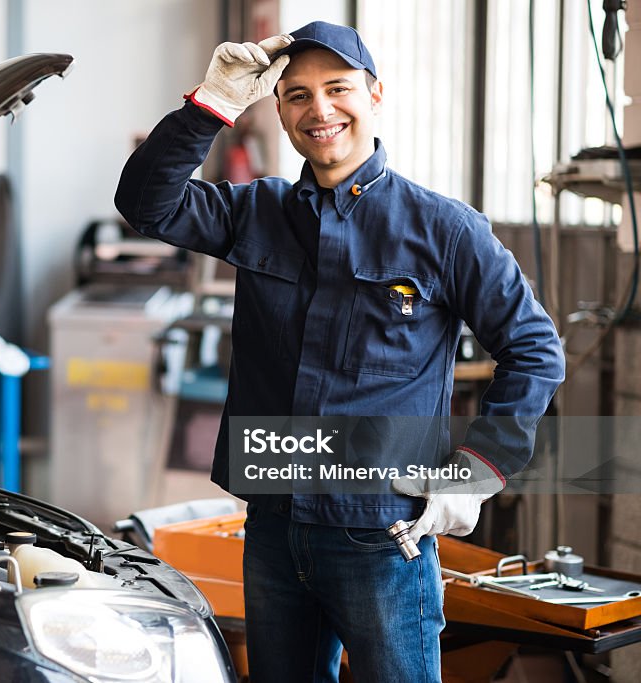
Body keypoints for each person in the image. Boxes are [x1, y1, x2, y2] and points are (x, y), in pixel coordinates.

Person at [115, 20, 564, 683]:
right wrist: (210, 104)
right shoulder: (258, 212)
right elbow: (145, 205)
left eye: (337, 88)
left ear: (375, 94)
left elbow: (535, 349)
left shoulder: (443, 229)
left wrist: (477, 468)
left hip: (382, 533)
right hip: (273, 523)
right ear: (278, 109)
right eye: (297, 95)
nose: (319, 110)